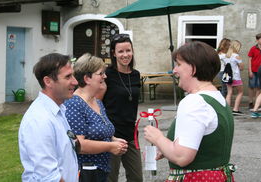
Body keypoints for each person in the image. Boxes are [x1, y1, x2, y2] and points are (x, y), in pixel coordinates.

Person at [144, 41, 235, 182]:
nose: (174, 70)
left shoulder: (195, 102)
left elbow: (182, 157)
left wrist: (157, 138)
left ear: (193, 68)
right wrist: (166, 147)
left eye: (179, 64)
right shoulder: (217, 98)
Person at [64, 53, 128, 182]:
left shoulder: (97, 101)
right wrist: (110, 146)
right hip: (85, 174)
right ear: (87, 78)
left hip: (101, 171)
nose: (105, 76)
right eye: (101, 73)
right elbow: (79, 144)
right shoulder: (74, 104)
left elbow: (100, 133)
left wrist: (115, 140)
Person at [18, 53, 79, 182]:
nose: (75, 82)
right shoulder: (39, 120)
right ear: (48, 81)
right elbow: (49, 177)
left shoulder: (58, 110)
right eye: (68, 76)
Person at [102, 34, 143, 182]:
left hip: (131, 134)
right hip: (111, 135)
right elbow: (97, 104)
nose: (125, 55)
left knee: (137, 177)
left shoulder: (136, 75)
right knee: (110, 178)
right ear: (114, 53)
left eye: (128, 50)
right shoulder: (107, 75)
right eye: (120, 51)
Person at [223, 40, 244, 115]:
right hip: (236, 77)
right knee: (240, 92)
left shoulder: (226, 56)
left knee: (229, 93)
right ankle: (235, 109)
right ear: (237, 47)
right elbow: (242, 67)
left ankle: (227, 110)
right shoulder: (236, 56)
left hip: (228, 77)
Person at [248, 33, 261, 109]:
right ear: (257, 40)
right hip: (253, 70)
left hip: (260, 72)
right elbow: (249, 60)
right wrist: (250, 71)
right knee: (251, 86)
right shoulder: (253, 48)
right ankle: (250, 102)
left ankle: (257, 102)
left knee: (259, 87)